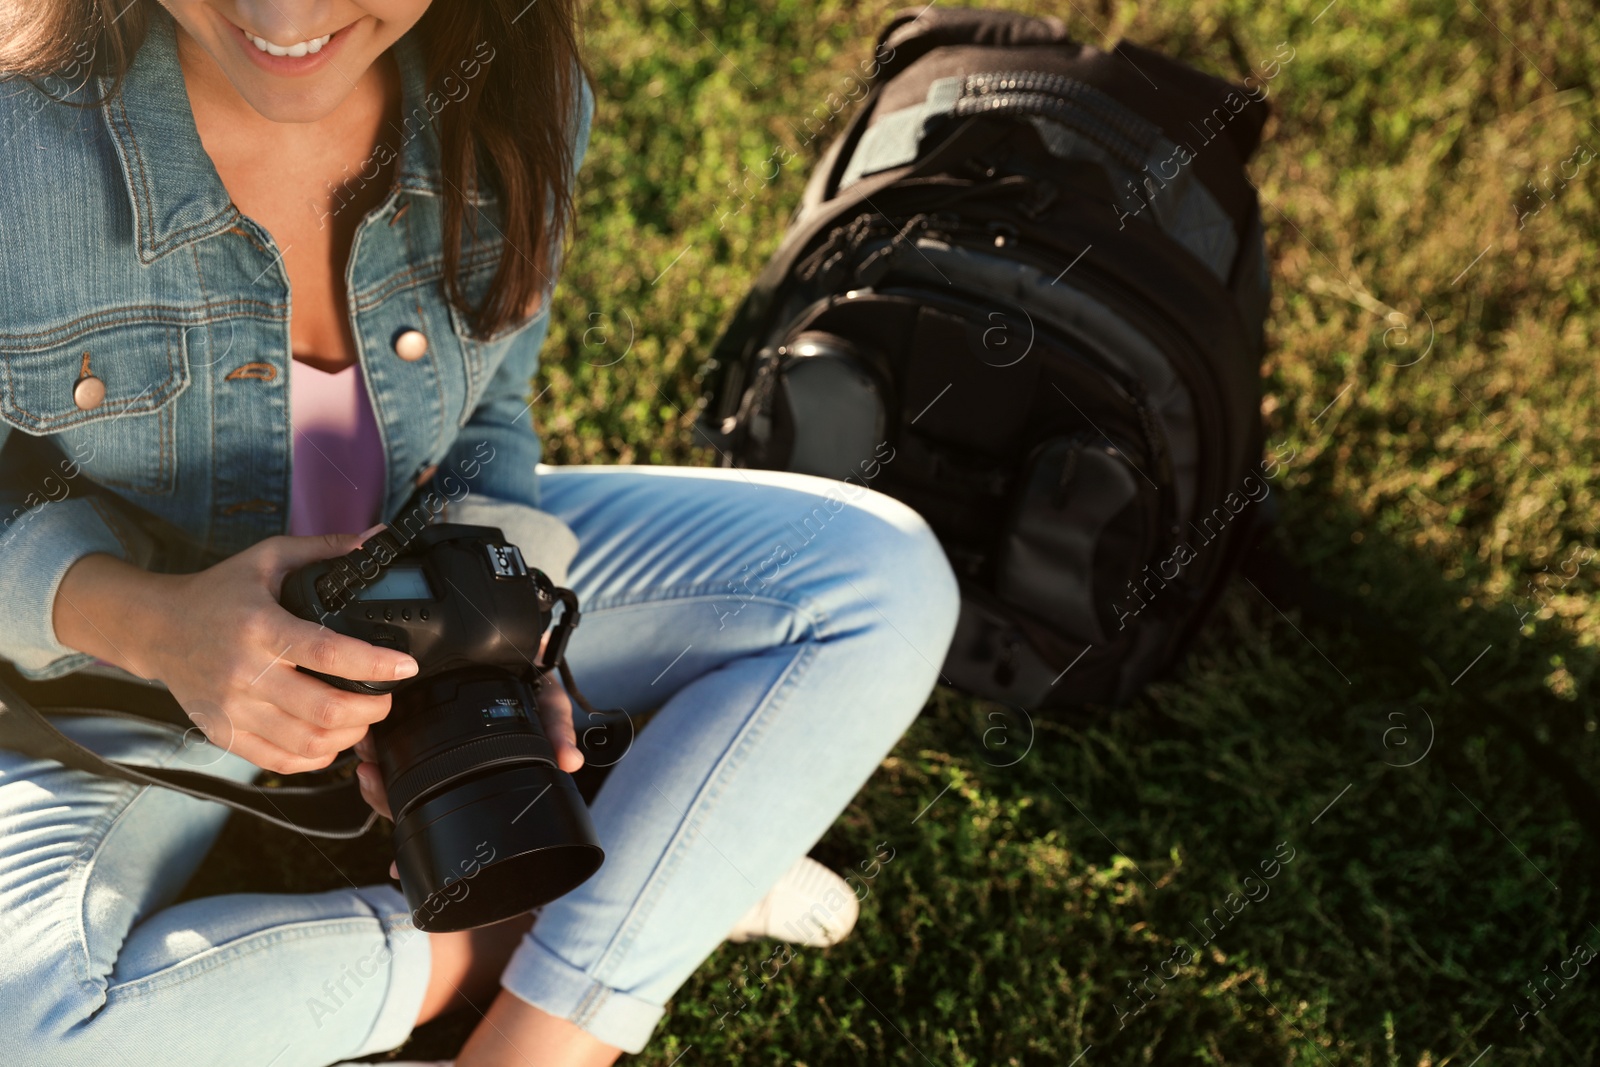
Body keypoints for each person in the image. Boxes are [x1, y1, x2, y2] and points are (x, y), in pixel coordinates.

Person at [0, 2, 960, 1065]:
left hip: (421, 591)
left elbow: (488, 416)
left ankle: (538, 1043)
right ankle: (617, 898)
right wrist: (159, 626)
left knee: (878, 580)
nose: (280, 18)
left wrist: (504, 630)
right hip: (113, 674)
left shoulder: (511, 93)